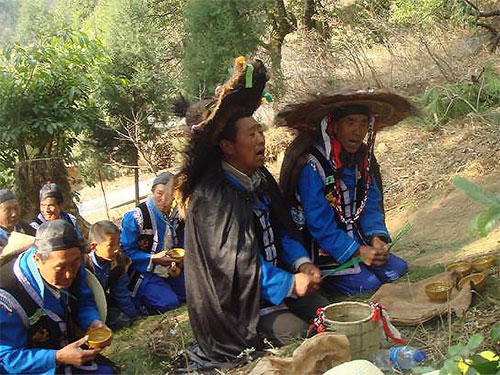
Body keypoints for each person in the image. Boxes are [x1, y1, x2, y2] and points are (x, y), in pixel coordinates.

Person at [178, 57, 328, 371]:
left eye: (260, 131)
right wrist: (288, 284)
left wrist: (302, 264)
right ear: (227, 147)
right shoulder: (212, 198)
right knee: (300, 336)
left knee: (327, 316)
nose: (260, 139)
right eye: (251, 134)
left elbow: (282, 228)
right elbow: (235, 268)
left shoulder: (260, 178)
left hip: (281, 282)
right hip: (240, 307)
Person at [278, 90, 413, 295]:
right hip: (323, 250)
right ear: (334, 126)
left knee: (397, 270)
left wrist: (376, 239)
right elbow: (318, 224)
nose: (358, 131)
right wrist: (357, 251)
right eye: (350, 123)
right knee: (368, 284)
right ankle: (329, 280)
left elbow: (370, 202)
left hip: (359, 241)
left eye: (362, 123)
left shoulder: (362, 159)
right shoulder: (312, 165)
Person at [0, 220, 115, 374]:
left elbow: (83, 299)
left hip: (67, 351)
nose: (69, 274)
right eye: (60, 268)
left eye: (75, 264)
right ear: (37, 260)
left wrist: (92, 321)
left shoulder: (73, 263)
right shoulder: (6, 297)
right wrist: (57, 357)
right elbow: (7, 358)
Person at [120, 172, 186, 315]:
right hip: (145, 272)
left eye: (169, 195)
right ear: (152, 191)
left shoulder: (176, 214)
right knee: (169, 303)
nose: (163, 200)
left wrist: (181, 259)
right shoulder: (137, 217)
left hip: (171, 267)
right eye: (159, 193)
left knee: (189, 293)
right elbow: (126, 251)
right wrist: (153, 258)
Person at [85, 220, 138, 330]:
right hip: (88, 306)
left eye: (118, 243)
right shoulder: (84, 267)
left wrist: (134, 316)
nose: (117, 249)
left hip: (105, 301)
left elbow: (121, 292)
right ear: (94, 247)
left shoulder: (119, 262)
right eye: (111, 245)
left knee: (126, 321)